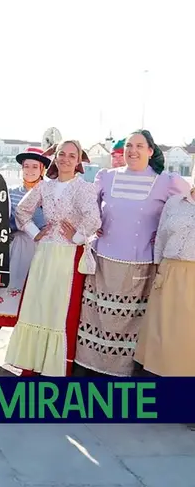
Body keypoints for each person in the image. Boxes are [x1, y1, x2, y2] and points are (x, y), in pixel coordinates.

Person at [75, 130, 188, 377]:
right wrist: (94, 223)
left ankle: (123, 375)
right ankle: (90, 370)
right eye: (128, 146)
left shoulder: (168, 181)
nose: (132, 151)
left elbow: (186, 211)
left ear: (150, 151)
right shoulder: (105, 177)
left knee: (131, 323)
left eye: (139, 146)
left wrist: (162, 234)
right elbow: (88, 208)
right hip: (102, 261)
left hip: (141, 265)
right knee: (96, 318)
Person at [5, 140, 101, 377]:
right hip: (44, 253)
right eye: (62, 154)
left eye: (72, 155)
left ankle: (54, 367)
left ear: (78, 161)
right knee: (37, 304)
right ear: (55, 157)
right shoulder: (44, 187)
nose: (66, 159)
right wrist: (34, 233)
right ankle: (31, 364)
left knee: (58, 308)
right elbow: (22, 211)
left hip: (68, 256)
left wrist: (77, 236)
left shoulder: (83, 187)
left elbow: (94, 219)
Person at [134, 182, 195, 376]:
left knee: (187, 335)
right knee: (161, 332)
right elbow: (160, 238)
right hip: (168, 272)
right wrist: (158, 270)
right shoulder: (174, 202)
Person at [0, 148, 49, 337]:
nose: (30, 170)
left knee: (33, 296)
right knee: (6, 292)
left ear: (42, 170)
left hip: (40, 250)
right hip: (15, 248)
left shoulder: (50, 194)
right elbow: (3, 220)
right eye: (26, 166)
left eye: (34, 166)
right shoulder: (11, 192)